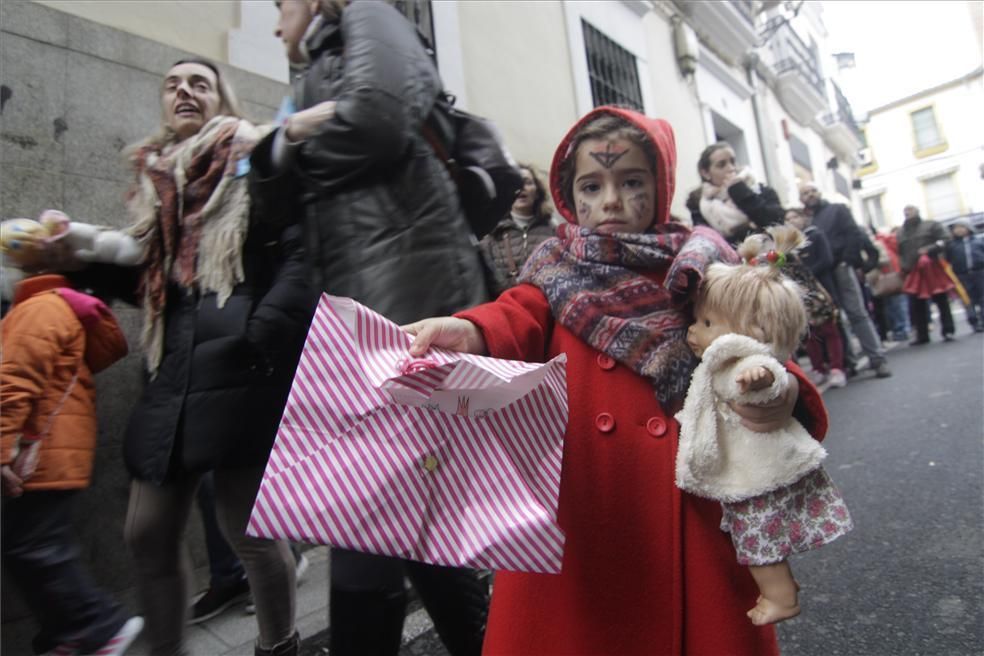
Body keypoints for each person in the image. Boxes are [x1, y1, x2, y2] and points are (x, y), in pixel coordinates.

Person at [403, 106, 828, 655]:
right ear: (567, 194)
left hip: (692, 502)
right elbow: (517, 315)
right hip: (582, 508)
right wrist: (466, 329)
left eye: (631, 181)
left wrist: (780, 394)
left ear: (662, 185)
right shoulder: (553, 267)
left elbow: (757, 346)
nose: (610, 201)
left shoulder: (705, 268)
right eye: (591, 184)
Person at [251, 1, 490, 654]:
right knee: (397, 526)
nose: (274, 22)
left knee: (374, 523)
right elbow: (268, 199)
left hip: (406, 303)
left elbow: (378, 123)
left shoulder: (368, 17)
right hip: (366, 312)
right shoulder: (315, 74)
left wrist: (293, 146)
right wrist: (292, 135)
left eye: (279, 3)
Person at [107, 58, 315, 656]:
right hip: (171, 364)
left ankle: (279, 646)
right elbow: (155, 281)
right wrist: (82, 261)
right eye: (172, 84)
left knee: (248, 532)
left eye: (199, 83)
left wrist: (262, 331)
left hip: (241, 363)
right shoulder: (157, 180)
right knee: (146, 531)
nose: (184, 92)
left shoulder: (256, 158)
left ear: (222, 97)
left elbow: (301, 255)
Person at [676, 225, 853, 626]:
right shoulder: (730, 356)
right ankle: (781, 591)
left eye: (706, 322)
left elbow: (765, 376)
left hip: (755, 470)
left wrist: (763, 379)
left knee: (758, 542)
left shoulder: (743, 361)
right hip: (753, 466)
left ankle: (782, 597)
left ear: (749, 329)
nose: (695, 329)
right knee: (756, 539)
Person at [1, 215, 144, 656]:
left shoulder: (39, 309)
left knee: (33, 547)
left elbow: (13, 381)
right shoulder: (57, 307)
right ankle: (64, 635)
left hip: (36, 449)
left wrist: (2, 449)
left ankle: (96, 625)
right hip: (56, 449)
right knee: (40, 545)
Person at [798, 182, 891, 378]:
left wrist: (848, 261)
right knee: (835, 319)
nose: (810, 195)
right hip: (824, 274)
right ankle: (849, 362)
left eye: (812, 190)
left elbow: (853, 234)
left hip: (840, 267)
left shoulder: (837, 210)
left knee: (856, 313)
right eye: (805, 193)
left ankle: (877, 359)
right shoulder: (806, 220)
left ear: (819, 192)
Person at [783, 209, 846, 390]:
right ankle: (818, 368)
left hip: (819, 290)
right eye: (788, 218)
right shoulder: (786, 246)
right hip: (800, 296)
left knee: (830, 330)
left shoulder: (815, 235)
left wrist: (805, 274)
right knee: (810, 335)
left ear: (803, 218)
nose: (792, 221)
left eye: (795, 216)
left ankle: (837, 368)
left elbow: (826, 260)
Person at [479, 164, 557, 296]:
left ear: (537, 192)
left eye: (527, 182)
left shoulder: (554, 231)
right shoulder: (492, 235)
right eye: (516, 183)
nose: (521, 188)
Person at [690, 142, 784, 244]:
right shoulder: (700, 207)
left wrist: (739, 191)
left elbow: (776, 223)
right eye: (721, 165)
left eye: (733, 162)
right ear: (706, 173)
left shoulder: (761, 191)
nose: (731, 168)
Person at [896, 205, 955, 344]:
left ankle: (948, 330)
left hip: (931, 267)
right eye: (905, 211)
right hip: (913, 271)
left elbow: (946, 239)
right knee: (916, 304)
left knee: (941, 299)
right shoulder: (901, 232)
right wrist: (904, 268)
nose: (907, 213)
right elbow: (901, 252)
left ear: (917, 211)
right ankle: (922, 335)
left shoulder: (931, 225)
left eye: (910, 210)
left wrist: (930, 249)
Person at [944, 219, 984, 333]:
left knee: (983, 297)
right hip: (961, 275)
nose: (959, 230)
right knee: (967, 298)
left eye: (962, 227)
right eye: (956, 228)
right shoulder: (951, 245)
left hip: (979, 272)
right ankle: (973, 320)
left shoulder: (978, 241)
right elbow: (947, 260)